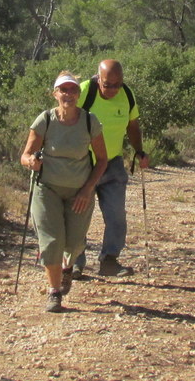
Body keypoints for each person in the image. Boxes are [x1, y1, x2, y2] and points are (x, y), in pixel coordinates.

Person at [21, 71, 108, 313]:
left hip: (80, 190)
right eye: (63, 90)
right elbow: (25, 155)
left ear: (78, 94)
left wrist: (87, 191)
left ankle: (67, 267)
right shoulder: (45, 120)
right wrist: (32, 162)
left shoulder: (90, 121)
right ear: (55, 94)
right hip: (46, 188)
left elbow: (102, 160)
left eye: (72, 90)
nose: (68, 94)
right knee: (51, 241)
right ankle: (54, 292)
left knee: (74, 243)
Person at [72, 59, 148, 278]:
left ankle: (110, 260)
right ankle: (76, 262)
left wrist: (139, 151)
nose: (114, 89)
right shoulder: (85, 91)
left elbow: (132, 125)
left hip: (112, 163)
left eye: (118, 84)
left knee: (116, 216)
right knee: (79, 214)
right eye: (108, 85)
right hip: (83, 163)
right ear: (98, 78)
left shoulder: (127, 94)